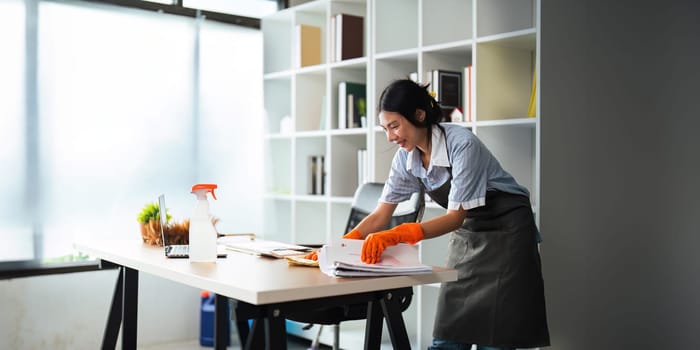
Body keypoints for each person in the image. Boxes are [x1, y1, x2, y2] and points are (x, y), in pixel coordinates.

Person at [306, 79, 549, 349]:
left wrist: (398, 235)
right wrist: (339, 247)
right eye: (385, 128)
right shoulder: (405, 157)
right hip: (470, 230)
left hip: (508, 232)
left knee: (497, 339)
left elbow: (455, 216)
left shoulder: (461, 144)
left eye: (395, 126)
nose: (390, 137)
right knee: (449, 331)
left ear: (419, 115)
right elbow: (380, 215)